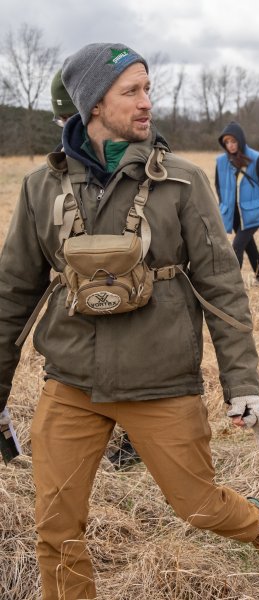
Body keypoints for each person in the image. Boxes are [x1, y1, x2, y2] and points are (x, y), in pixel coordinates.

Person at [0, 43, 259, 600]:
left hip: (161, 383)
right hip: (70, 386)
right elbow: (12, 293)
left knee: (200, 506)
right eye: (130, 91)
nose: (146, 103)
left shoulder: (180, 182)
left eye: (147, 89)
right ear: (92, 105)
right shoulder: (41, 187)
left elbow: (221, 285)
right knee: (55, 529)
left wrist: (243, 384)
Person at [50, 68, 142, 470]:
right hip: (77, 329)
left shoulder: (144, 163)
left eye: (69, 119)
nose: (65, 129)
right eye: (59, 121)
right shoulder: (53, 175)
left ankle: (134, 440)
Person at [215, 121, 259, 287]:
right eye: (226, 142)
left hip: (252, 213)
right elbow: (219, 186)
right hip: (232, 213)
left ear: (240, 140)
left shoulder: (257, 159)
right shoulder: (221, 161)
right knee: (250, 246)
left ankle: (233, 287)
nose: (230, 145)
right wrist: (224, 204)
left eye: (233, 141)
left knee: (237, 247)